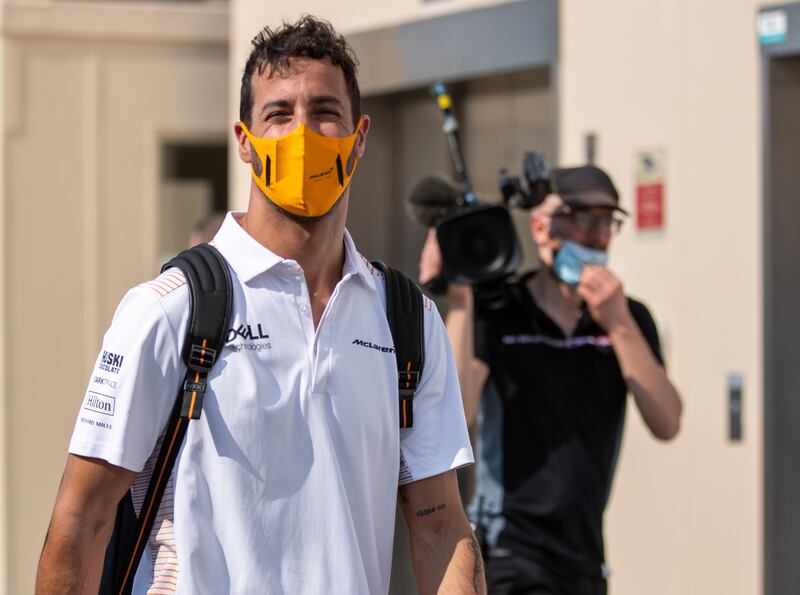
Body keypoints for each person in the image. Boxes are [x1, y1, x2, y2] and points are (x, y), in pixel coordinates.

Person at [36, 17, 485, 595]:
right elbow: (83, 518)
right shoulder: (170, 310)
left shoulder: (409, 322)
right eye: (279, 114)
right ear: (245, 140)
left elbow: (440, 525)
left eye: (326, 112)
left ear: (361, 136)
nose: (304, 134)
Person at [418, 165, 682, 595]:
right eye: (581, 218)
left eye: (607, 222)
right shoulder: (503, 311)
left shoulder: (629, 318)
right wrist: (464, 302)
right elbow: (457, 409)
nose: (596, 235)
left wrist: (616, 324)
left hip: (586, 557)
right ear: (541, 228)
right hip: (510, 551)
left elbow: (667, 421)